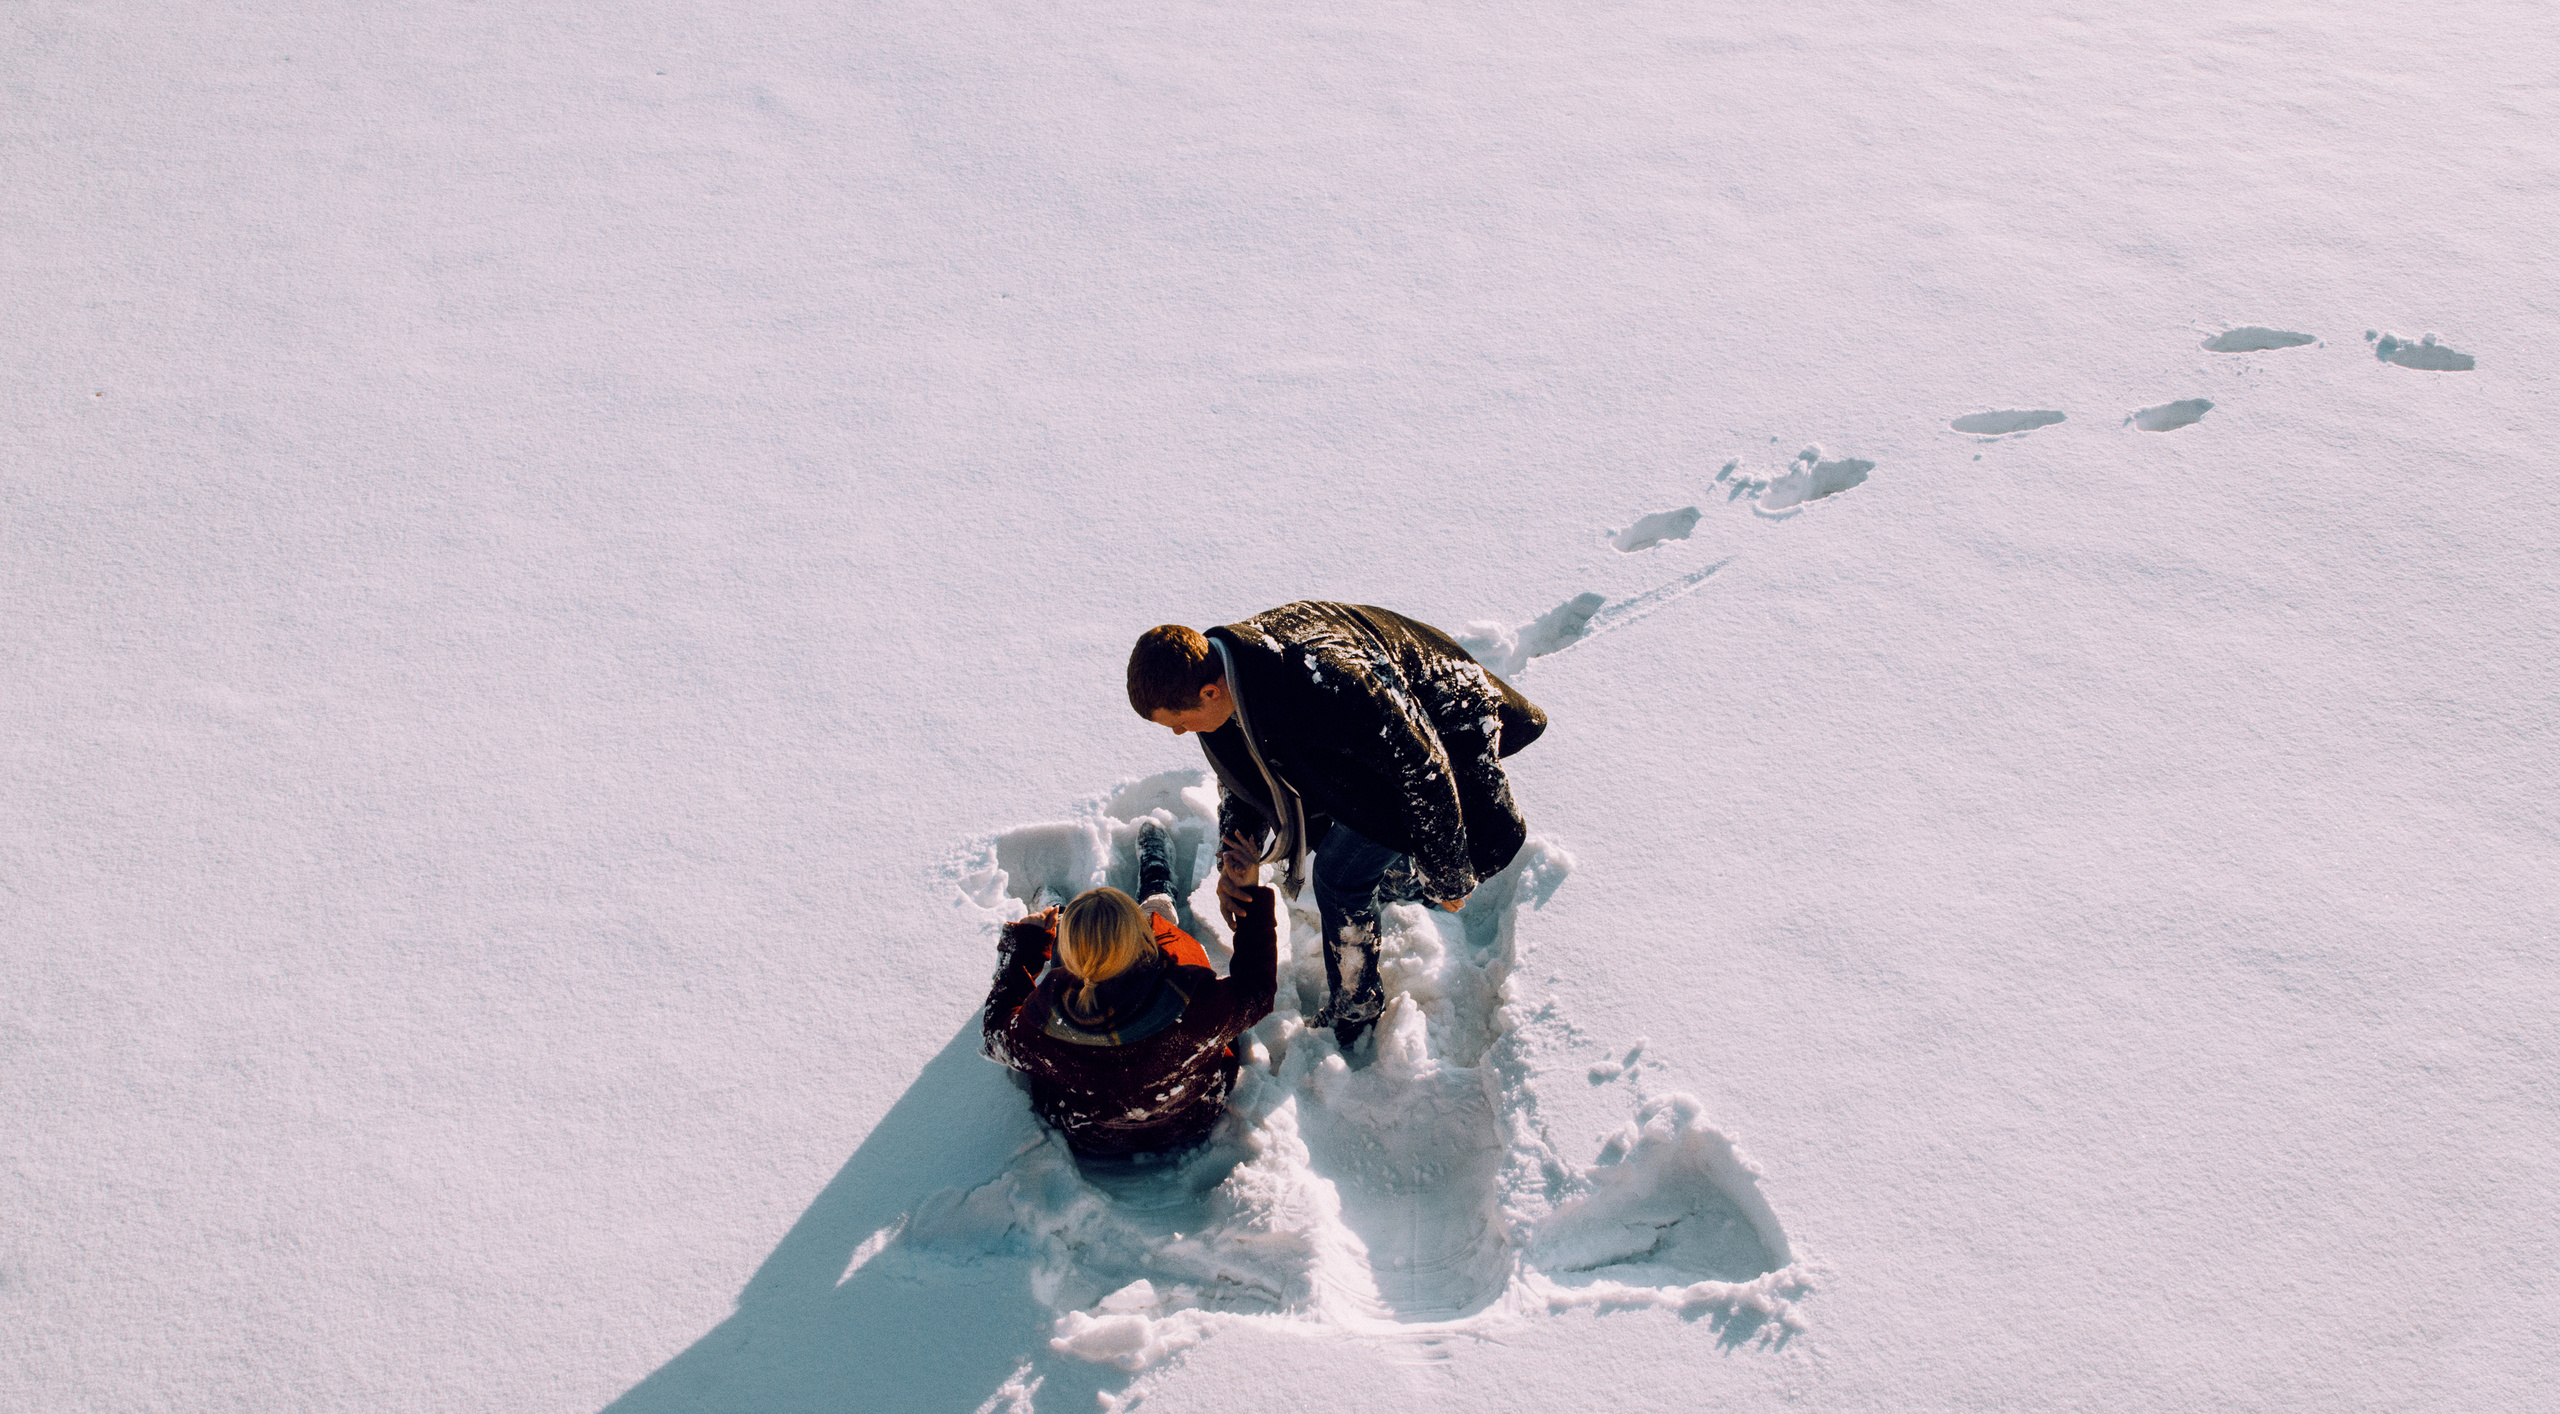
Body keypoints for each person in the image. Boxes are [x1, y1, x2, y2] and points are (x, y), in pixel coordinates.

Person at [1125, 602, 1547, 1049]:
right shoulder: (1230, 675)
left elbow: (1424, 766)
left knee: (1337, 877)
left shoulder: (1326, 683)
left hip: (1449, 730)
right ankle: (1402, 885)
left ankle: (1358, 1006)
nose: (1179, 734)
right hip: (1372, 756)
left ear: (1210, 693)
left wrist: (1448, 871)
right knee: (1343, 850)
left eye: (1179, 723)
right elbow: (1240, 770)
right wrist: (1236, 854)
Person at [982, 826, 1277, 1158]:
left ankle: (1063, 924)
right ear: (1142, 941)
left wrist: (1025, 948)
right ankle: (1156, 898)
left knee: (1084, 954)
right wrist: (1250, 894)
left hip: (1093, 1134)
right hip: (1192, 1115)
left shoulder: (1044, 1025)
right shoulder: (1196, 1005)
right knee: (1170, 937)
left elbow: (995, 1037)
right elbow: (1257, 992)